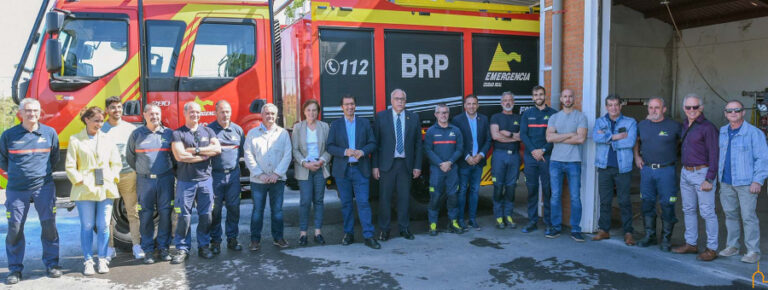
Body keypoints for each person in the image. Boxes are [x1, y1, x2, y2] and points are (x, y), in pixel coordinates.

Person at [1, 98, 61, 284]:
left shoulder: (49, 133)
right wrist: (17, 176)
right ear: (20, 112)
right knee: (15, 228)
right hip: (17, 190)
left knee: (49, 226)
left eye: (35, 110)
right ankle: (15, 270)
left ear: (40, 112)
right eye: (28, 110)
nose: (31, 114)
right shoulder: (9, 135)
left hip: (44, 188)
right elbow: (2, 160)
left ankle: (52, 264)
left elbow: (54, 158)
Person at [65, 106, 122, 275]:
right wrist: (81, 180)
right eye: (96, 120)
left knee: (104, 225)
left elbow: (116, 163)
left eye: (101, 120)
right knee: (87, 225)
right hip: (84, 190)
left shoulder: (107, 139)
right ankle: (88, 261)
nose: (99, 124)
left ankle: (103, 259)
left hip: (106, 188)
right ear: (87, 120)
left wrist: (112, 178)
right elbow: (70, 165)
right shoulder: (75, 140)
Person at [717, 100, 768, 264]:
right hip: (726, 182)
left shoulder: (754, 133)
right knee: (730, 215)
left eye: (737, 110)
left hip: (746, 183)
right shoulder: (722, 131)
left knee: (748, 217)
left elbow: (762, 159)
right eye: (729, 111)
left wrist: (758, 181)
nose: (733, 113)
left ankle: (753, 250)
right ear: (725, 113)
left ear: (743, 112)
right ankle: (733, 246)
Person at [327, 95, 381, 249]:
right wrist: (345, 151)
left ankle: (369, 236)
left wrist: (363, 151)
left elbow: (373, 143)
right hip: (342, 171)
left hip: (360, 169)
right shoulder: (335, 125)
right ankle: (348, 234)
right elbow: (329, 146)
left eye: (352, 104)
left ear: (355, 106)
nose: (349, 107)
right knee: (346, 204)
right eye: (346, 104)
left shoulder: (364, 123)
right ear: (341, 107)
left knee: (363, 203)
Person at [171, 102, 221, 263]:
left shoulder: (208, 130)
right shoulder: (178, 133)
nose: (195, 115)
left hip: (205, 181)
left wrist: (195, 150)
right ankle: (182, 249)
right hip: (186, 182)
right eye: (192, 112)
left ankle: (203, 246)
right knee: (184, 217)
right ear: (185, 113)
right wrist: (204, 156)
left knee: (206, 215)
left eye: (198, 112)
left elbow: (217, 149)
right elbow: (180, 156)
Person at [671, 94, 719, 262]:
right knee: (688, 209)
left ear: (701, 108)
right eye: (688, 107)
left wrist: (710, 178)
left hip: (702, 173)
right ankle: (691, 243)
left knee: (707, 212)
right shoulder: (684, 125)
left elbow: (715, 154)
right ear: (684, 108)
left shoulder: (708, 128)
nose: (692, 110)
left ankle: (712, 248)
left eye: (695, 107)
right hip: (685, 172)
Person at [126, 104, 175, 264]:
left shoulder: (168, 133)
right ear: (144, 115)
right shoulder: (136, 134)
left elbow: (175, 158)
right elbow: (130, 158)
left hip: (165, 179)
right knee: (145, 215)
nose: (154, 117)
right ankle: (147, 250)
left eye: (157, 114)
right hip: (145, 180)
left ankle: (163, 248)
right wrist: (143, 170)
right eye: (151, 114)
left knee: (165, 213)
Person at [372, 89, 422, 241]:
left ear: (406, 101)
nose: (400, 101)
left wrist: (417, 166)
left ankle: (404, 228)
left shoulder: (413, 117)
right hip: (387, 165)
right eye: (397, 99)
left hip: (405, 165)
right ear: (391, 100)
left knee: (404, 198)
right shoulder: (381, 117)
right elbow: (376, 143)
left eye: (403, 99)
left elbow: (418, 144)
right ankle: (385, 230)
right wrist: (375, 166)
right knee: (385, 199)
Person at [633, 97, 682, 252]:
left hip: (666, 171)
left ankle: (666, 239)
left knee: (667, 204)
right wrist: (637, 156)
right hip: (647, 170)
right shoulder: (642, 125)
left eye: (657, 107)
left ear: (664, 109)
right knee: (647, 202)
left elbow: (686, 143)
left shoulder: (674, 126)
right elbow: (636, 140)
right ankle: (650, 235)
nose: (653, 110)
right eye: (651, 107)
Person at [244, 103, 292, 251]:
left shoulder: (283, 133)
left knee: (277, 210)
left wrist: (277, 173)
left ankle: (278, 238)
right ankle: (255, 240)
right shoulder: (252, 133)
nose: (270, 116)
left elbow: (287, 154)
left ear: (276, 116)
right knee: (257, 210)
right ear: (262, 115)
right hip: (258, 180)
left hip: (278, 180)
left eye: (272, 114)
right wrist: (260, 174)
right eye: (267, 113)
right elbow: (248, 155)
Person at [592, 94, 637, 246]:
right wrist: (617, 137)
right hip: (604, 166)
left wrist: (607, 138)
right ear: (606, 107)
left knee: (624, 201)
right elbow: (595, 138)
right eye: (610, 105)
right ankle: (604, 230)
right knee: (605, 201)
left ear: (621, 106)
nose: (613, 108)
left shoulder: (630, 122)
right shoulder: (600, 121)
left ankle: (628, 232)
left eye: (616, 105)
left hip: (623, 168)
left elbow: (630, 141)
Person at [101, 96, 142, 260]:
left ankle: (137, 246)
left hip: (128, 175)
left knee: (133, 212)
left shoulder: (131, 129)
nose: (116, 110)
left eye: (119, 107)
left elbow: (136, 152)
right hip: (109, 177)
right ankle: (110, 248)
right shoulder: (101, 129)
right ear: (106, 110)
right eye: (113, 107)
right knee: (107, 214)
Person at [545, 89, 588, 242]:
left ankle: (576, 229)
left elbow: (581, 139)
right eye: (565, 96)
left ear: (574, 99)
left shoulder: (581, 116)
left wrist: (559, 137)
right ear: (561, 99)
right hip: (556, 161)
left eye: (570, 96)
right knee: (555, 196)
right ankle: (556, 227)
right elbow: (549, 138)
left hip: (573, 162)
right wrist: (570, 134)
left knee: (575, 197)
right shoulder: (554, 117)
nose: (568, 99)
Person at [292, 100, 331, 246]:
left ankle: (318, 233)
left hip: (320, 167)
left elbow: (329, 148)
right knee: (305, 201)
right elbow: (294, 149)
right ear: (304, 111)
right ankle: (303, 234)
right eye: (308, 110)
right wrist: (304, 163)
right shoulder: (298, 128)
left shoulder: (324, 127)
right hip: (304, 168)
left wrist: (321, 161)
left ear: (318, 111)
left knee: (319, 201)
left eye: (314, 110)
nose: (311, 113)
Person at [208, 101, 245, 254]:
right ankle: (215, 241)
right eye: (222, 112)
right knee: (215, 211)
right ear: (216, 113)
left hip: (233, 175)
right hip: (215, 176)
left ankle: (232, 239)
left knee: (234, 208)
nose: (225, 115)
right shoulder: (209, 130)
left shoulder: (238, 130)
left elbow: (241, 153)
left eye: (227, 112)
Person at [519, 86, 557, 234]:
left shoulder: (553, 114)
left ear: (545, 96)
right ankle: (532, 221)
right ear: (532, 97)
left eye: (541, 94)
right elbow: (523, 134)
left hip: (547, 157)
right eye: (535, 95)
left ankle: (548, 223)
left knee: (548, 190)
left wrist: (543, 150)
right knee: (532, 189)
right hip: (530, 158)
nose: (538, 97)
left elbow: (554, 136)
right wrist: (534, 151)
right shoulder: (527, 114)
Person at [451, 95, 491, 230]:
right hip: (464, 162)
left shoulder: (484, 119)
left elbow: (488, 140)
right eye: (469, 104)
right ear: (465, 106)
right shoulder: (457, 120)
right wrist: (467, 156)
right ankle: (461, 219)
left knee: (474, 191)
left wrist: (481, 155)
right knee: (462, 191)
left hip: (478, 162)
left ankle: (472, 219)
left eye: (474, 104)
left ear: (478, 105)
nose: (472, 106)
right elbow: (457, 141)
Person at [424, 104, 464, 235]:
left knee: (453, 197)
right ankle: (433, 224)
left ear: (448, 114)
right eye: (440, 113)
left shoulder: (456, 130)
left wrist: (450, 162)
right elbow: (428, 150)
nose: (443, 115)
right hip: (437, 170)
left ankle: (453, 222)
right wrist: (441, 163)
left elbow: (459, 149)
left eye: (445, 112)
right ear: (435, 115)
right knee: (435, 198)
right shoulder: (430, 131)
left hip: (452, 169)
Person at [489, 92, 522, 229]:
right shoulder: (496, 117)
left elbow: (521, 137)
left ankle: (508, 215)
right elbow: (495, 136)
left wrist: (507, 133)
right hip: (499, 156)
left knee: (511, 187)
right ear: (501, 102)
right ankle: (498, 216)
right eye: (505, 100)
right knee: (498, 187)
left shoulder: (518, 118)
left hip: (514, 156)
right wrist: (514, 137)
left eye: (510, 100)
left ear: (513, 102)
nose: (507, 102)